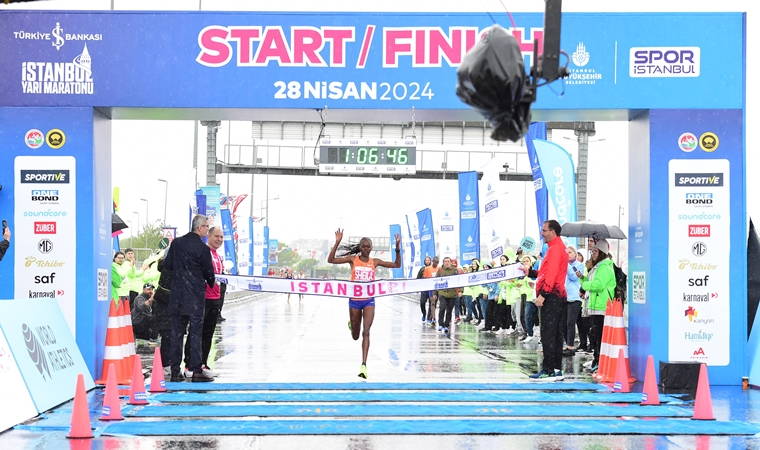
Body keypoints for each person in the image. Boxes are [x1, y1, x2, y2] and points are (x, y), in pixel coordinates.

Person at [327, 228, 400, 379]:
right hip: (354, 301)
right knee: (355, 335)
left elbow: (396, 265)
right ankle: (352, 325)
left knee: (366, 332)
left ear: (371, 248)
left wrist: (397, 249)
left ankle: (364, 365)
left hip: (369, 301)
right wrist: (337, 242)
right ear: (360, 247)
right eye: (364, 246)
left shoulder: (375, 262)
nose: (366, 249)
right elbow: (331, 260)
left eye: (368, 247)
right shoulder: (353, 259)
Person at [163, 214, 215, 382]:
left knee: (176, 334)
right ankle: (195, 369)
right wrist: (211, 281)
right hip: (195, 297)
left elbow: (167, 265)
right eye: (206, 227)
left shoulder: (176, 243)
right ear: (199, 228)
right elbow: (209, 273)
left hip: (177, 295)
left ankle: (175, 371)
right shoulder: (203, 249)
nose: (207, 230)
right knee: (195, 333)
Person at [524, 220, 569, 381]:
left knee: (548, 334)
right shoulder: (556, 248)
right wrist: (530, 272)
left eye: (544, 230)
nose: (542, 233)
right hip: (557, 295)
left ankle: (548, 369)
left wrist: (543, 294)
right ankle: (556, 369)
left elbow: (552, 275)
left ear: (553, 232)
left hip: (552, 296)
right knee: (556, 334)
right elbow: (545, 272)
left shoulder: (555, 249)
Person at [579, 238, 616, 373]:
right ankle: (596, 360)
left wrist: (585, 284)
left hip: (602, 307)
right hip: (596, 307)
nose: (592, 253)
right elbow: (591, 282)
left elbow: (598, 285)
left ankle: (599, 361)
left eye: (595, 251)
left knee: (598, 336)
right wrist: (582, 278)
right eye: (592, 251)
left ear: (602, 252)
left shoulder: (604, 267)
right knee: (595, 335)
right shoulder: (598, 266)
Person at [200, 226, 226, 378]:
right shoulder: (204, 253)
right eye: (216, 236)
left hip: (215, 299)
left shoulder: (218, 256)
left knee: (209, 334)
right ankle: (193, 365)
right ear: (209, 236)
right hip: (203, 299)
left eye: (221, 237)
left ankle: (204, 363)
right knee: (199, 333)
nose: (219, 239)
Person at [564, 247, 586, 355]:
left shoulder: (579, 265)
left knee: (570, 322)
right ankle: (573, 344)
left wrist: (566, 264)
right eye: (566, 253)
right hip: (565, 297)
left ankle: (570, 346)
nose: (568, 254)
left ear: (575, 254)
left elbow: (573, 277)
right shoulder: (564, 266)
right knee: (567, 323)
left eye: (570, 252)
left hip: (575, 297)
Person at [435, 257, 459, 335]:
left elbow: (460, 280)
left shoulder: (455, 270)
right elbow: (435, 281)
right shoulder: (440, 270)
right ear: (443, 262)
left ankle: (446, 324)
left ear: (450, 262)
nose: (447, 263)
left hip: (452, 294)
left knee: (449, 310)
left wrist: (460, 291)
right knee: (442, 308)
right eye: (445, 261)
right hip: (442, 293)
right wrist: (435, 293)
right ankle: (440, 324)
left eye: (448, 261)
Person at [416, 256, 432, 323]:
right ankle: (424, 314)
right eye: (426, 260)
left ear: (430, 261)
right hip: (424, 289)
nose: (427, 261)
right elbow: (418, 279)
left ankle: (429, 317)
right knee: (422, 303)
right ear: (424, 261)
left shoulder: (432, 268)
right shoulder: (422, 269)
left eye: (428, 260)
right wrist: (417, 288)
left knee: (431, 304)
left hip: (431, 289)